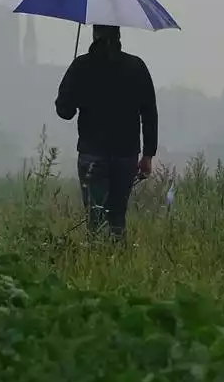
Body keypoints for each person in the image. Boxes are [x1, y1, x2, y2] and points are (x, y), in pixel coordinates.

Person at [55, 24, 158, 242]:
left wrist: (69, 95)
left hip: (92, 153)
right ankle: (117, 263)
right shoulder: (136, 67)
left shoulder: (81, 66)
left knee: (96, 218)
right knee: (117, 218)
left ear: (94, 35)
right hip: (125, 155)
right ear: (119, 35)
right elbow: (149, 112)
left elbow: (65, 111)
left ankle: (97, 261)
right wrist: (148, 154)